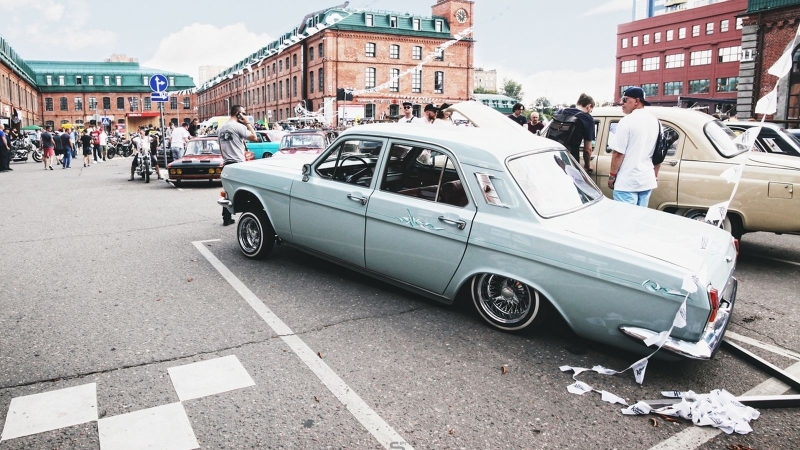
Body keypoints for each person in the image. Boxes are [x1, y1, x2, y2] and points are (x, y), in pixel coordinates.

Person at [608, 87, 660, 207]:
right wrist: (655, 174)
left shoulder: (626, 121)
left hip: (627, 182)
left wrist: (612, 176)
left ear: (636, 101)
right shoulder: (656, 122)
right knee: (639, 221)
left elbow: (618, 153)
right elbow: (659, 153)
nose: (622, 103)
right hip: (646, 180)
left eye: (625, 100)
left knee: (624, 222)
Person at [219, 104, 259, 226]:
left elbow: (221, 148)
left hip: (227, 163)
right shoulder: (237, 126)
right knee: (249, 191)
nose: (245, 115)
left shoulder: (221, 128)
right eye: (244, 113)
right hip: (238, 163)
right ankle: (250, 219)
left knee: (228, 192)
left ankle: (226, 218)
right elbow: (255, 137)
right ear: (238, 114)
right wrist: (247, 123)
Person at [551, 93, 596, 173]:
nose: (590, 112)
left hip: (553, 156)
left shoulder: (562, 111)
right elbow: (587, 150)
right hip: (570, 160)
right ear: (588, 106)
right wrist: (587, 165)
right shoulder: (587, 119)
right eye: (591, 110)